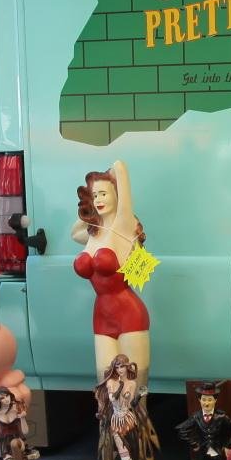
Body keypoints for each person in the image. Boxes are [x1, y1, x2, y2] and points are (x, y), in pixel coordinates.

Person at [72, 161, 151, 391]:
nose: (99, 199)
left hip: (130, 315)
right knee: (106, 388)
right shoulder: (92, 234)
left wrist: (113, 172)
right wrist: (88, 204)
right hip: (101, 316)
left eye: (104, 194)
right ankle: (111, 420)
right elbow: (74, 231)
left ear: (117, 195)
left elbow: (121, 168)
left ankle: (137, 420)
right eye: (95, 195)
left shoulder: (123, 227)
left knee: (133, 389)